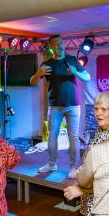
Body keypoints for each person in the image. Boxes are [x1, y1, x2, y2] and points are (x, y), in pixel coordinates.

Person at [30, 35, 90, 178]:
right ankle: (51, 164)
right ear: (51, 47)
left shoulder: (72, 60)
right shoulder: (47, 64)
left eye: (61, 43)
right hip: (55, 106)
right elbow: (32, 82)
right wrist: (38, 74)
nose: (60, 46)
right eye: (56, 44)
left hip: (73, 105)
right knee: (52, 136)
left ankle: (74, 167)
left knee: (73, 137)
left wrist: (75, 72)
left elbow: (87, 78)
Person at [63, 92, 109, 216]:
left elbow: (108, 179)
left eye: (104, 109)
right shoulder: (100, 132)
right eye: (96, 108)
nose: (98, 113)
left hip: (101, 207)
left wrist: (82, 190)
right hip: (88, 202)